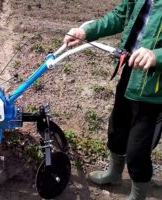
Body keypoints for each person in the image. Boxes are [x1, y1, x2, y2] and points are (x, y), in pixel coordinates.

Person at [63, 0, 162, 199]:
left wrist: (157, 55)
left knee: (137, 151)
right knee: (116, 130)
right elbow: (119, 16)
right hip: (131, 73)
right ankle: (114, 174)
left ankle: (138, 194)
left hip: (155, 87)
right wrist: (87, 31)